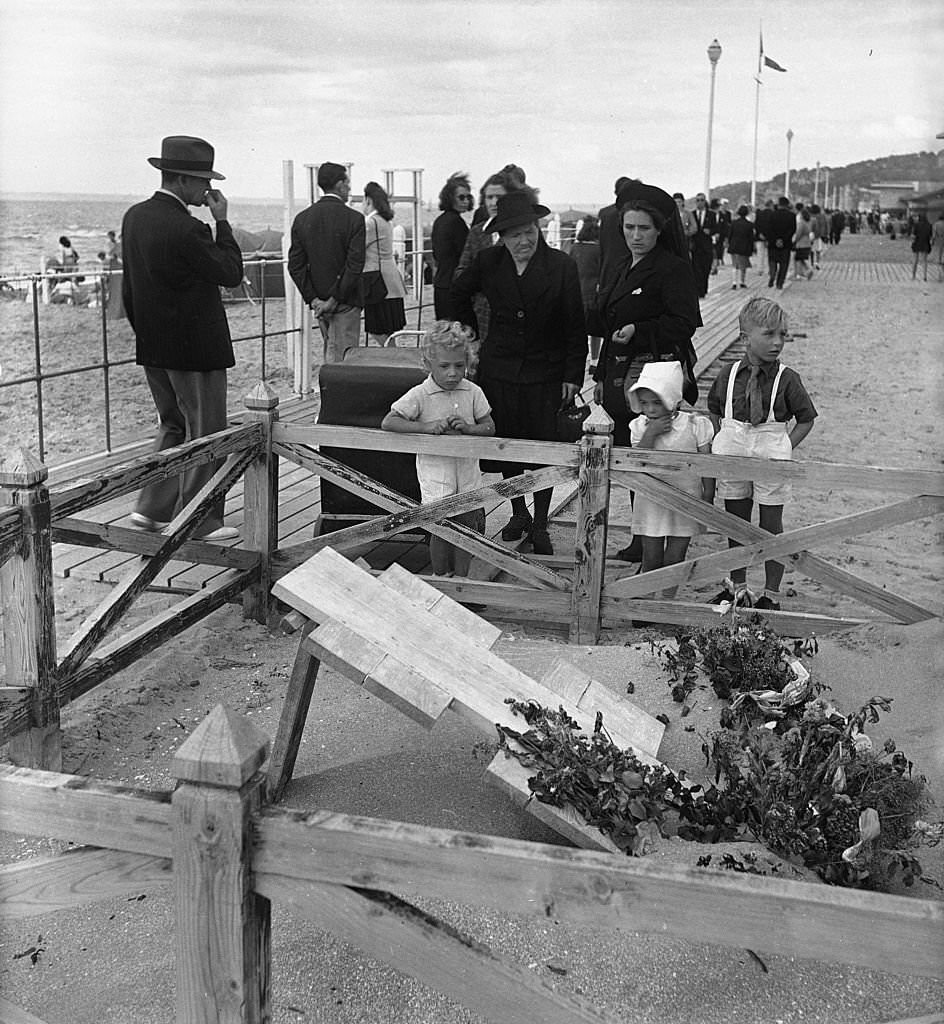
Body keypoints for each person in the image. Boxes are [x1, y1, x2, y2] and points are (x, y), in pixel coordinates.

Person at [121, 135, 244, 541]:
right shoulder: (189, 228)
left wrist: (146, 335)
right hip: (196, 350)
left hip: (154, 345)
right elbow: (230, 272)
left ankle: (151, 509)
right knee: (206, 432)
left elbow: (129, 288)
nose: (207, 189)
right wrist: (222, 222)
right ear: (182, 180)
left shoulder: (134, 217)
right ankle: (199, 520)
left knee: (173, 426)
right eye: (203, 181)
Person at [453, 191, 587, 556]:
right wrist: (470, 331)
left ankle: (540, 523)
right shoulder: (489, 261)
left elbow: (576, 325)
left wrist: (572, 374)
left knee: (543, 450)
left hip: (547, 371)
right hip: (500, 369)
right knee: (507, 447)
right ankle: (518, 512)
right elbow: (456, 291)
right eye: (515, 235)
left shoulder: (561, 265)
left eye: (529, 231)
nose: (524, 240)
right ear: (502, 237)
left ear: (538, 227)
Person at [707, 297, 817, 610]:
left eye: (782, 335)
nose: (777, 342)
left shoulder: (787, 378)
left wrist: (785, 447)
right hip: (735, 451)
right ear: (745, 337)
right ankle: (737, 587)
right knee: (736, 522)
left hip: (771, 451)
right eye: (769, 334)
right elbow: (715, 409)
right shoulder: (728, 375)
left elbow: (806, 419)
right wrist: (722, 438)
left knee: (771, 526)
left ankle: (771, 594)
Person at [381, 321, 495, 576]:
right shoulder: (420, 394)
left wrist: (469, 428)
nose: (453, 373)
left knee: (466, 530)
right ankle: (440, 576)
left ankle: (462, 580)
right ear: (428, 364)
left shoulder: (473, 392)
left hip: (468, 477)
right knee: (440, 529)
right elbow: (389, 421)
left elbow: (489, 426)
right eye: (444, 366)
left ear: (468, 363)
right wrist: (425, 426)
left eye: (459, 366)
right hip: (436, 477)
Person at [625, 361, 714, 599]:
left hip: (686, 499)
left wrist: (708, 495)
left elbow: (707, 463)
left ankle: (667, 600)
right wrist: (651, 433)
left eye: (657, 402)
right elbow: (636, 460)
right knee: (651, 555)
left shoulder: (695, 425)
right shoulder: (639, 426)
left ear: (672, 398)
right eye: (644, 403)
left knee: (676, 555)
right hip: (651, 500)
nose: (650, 409)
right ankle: (647, 599)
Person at [288, 161, 366, 364]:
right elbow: (354, 265)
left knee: (330, 352)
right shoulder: (355, 219)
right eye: (347, 183)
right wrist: (334, 299)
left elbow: (295, 265)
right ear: (340, 184)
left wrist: (314, 299)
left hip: (319, 300)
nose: (349, 188)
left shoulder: (302, 219)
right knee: (344, 360)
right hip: (346, 302)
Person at [454, 165, 528, 342]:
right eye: (489, 197)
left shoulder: (524, 233)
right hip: (481, 316)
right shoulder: (477, 232)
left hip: (515, 317)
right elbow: (461, 271)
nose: (494, 203)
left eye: (499, 197)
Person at [361, 181, 407, 345]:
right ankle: (394, 354)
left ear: (368, 200)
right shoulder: (386, 221)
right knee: (388, 330)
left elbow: (358, 247)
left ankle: (393, 355)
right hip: (392, 280)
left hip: (378, 282)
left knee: (377, 329)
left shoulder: (371, 223)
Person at [431, 172, 472, 319]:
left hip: (441, 283)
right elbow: (465, 255)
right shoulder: (456, 223)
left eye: (468, 197)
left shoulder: (440, 221)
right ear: (450, 198)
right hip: (454, 285)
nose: (466, 201)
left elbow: (436, 254)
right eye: (461, 197)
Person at [569, 215, 602, 361]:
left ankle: (579, 359)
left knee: (577, 330)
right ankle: (594, 359)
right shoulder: (598, 250)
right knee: (595, 330)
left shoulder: (575, 248)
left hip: (576, 292)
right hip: (593, 294)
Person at [689, 192, 716, 298]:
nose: (700, 202)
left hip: (707, 246)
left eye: (702, 200)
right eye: (698, 200)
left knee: (706, 268)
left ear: (705, 201)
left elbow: (717, 228)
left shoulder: (711, 214)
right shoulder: (692, 214)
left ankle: (704, 288)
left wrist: (710, 231)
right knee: (696, 269)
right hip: (695, 246)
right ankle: (699, 291)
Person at [766, 197, 796, 289]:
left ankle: (772, 275)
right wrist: (783, 239)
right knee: (784, 264)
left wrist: (776, 239)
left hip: (773, 243)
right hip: (786, 244)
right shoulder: (791, 215)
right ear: (787, 205)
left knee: (772, 261)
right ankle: (780, 283)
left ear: (778, 204)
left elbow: (769, 229)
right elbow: (792, 229)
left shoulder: (772, 215)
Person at [726, 205, 755, 289]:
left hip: (734, 245)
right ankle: (742, 281)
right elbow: (751, 238)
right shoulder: (749, 225)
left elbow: (730, 235)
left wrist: (729, 243)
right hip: (744, 246)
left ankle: (734, 282)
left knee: (735, 265)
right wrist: (752, 248)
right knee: (743, 265)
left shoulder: (734, 223)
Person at [910, 211, 933, 281]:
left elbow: (913, 236)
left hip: (917, 243)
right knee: (924, 260)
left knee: (915, 260)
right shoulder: (929, 225)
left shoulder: (916, 225)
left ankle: (913, 276)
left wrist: (912, 241)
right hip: (925, 243)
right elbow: (930, 236)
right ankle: (924, 276)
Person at [792, 207, 813, 280]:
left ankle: (800, 274)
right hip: (807, 243)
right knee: (802, 259)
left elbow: (798, 234)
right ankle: (805, 272)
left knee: (798, 259)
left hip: (801, 244)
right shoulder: (808, 222)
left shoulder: (801, 223)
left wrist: (794, 240)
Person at [931, 211, 944, 282]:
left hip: (938, 242)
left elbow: (933, 235)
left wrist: (932, 242)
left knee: (939, 260)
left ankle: (940, 276)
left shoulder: (936, 224)